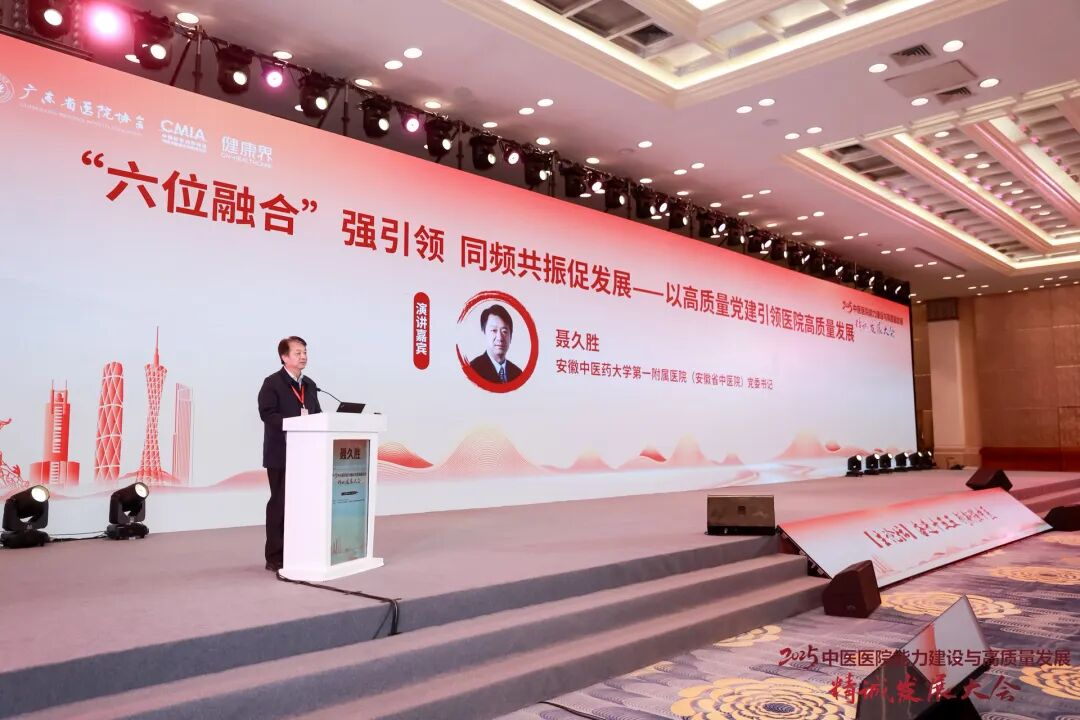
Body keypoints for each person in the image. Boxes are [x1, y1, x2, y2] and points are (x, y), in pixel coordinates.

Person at [257, 336, 321, 571]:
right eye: (298, 353)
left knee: (303, 504)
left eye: (305, 352)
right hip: (281, 454)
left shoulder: (310, 384)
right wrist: (293, 424)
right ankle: (274, 556)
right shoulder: (272, 383)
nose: (303, 356)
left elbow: (317, 415)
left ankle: (298, 550)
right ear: (284, 357)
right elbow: (267, 414)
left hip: (307, 455)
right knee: (280, 504)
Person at [469, 304, 522, 383]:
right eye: (494, 330)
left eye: (504, 331)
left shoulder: (518, 374)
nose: (500, 338)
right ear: (484, 333)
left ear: (510, 336)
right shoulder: (472, 371)